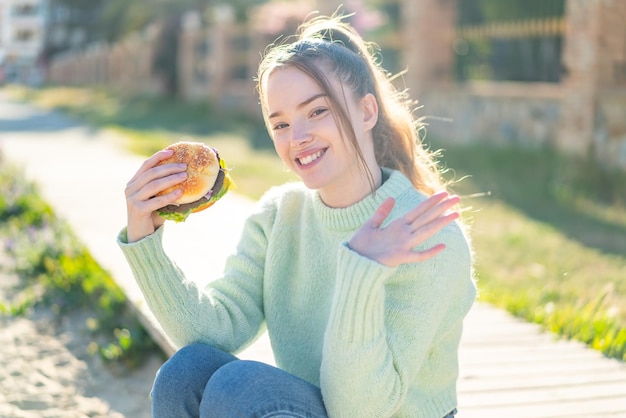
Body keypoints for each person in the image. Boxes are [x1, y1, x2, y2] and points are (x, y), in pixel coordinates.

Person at [119, 13, 476, 418]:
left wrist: (363, 270)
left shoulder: (427, 235)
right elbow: (211, 335)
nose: (297, 137)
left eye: (318, 111)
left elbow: (361, 408)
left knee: (239, 387)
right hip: (314, 407)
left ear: (366, 111)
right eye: (282, 123)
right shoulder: (279, 214)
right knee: (186, 372)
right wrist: (143, 238)